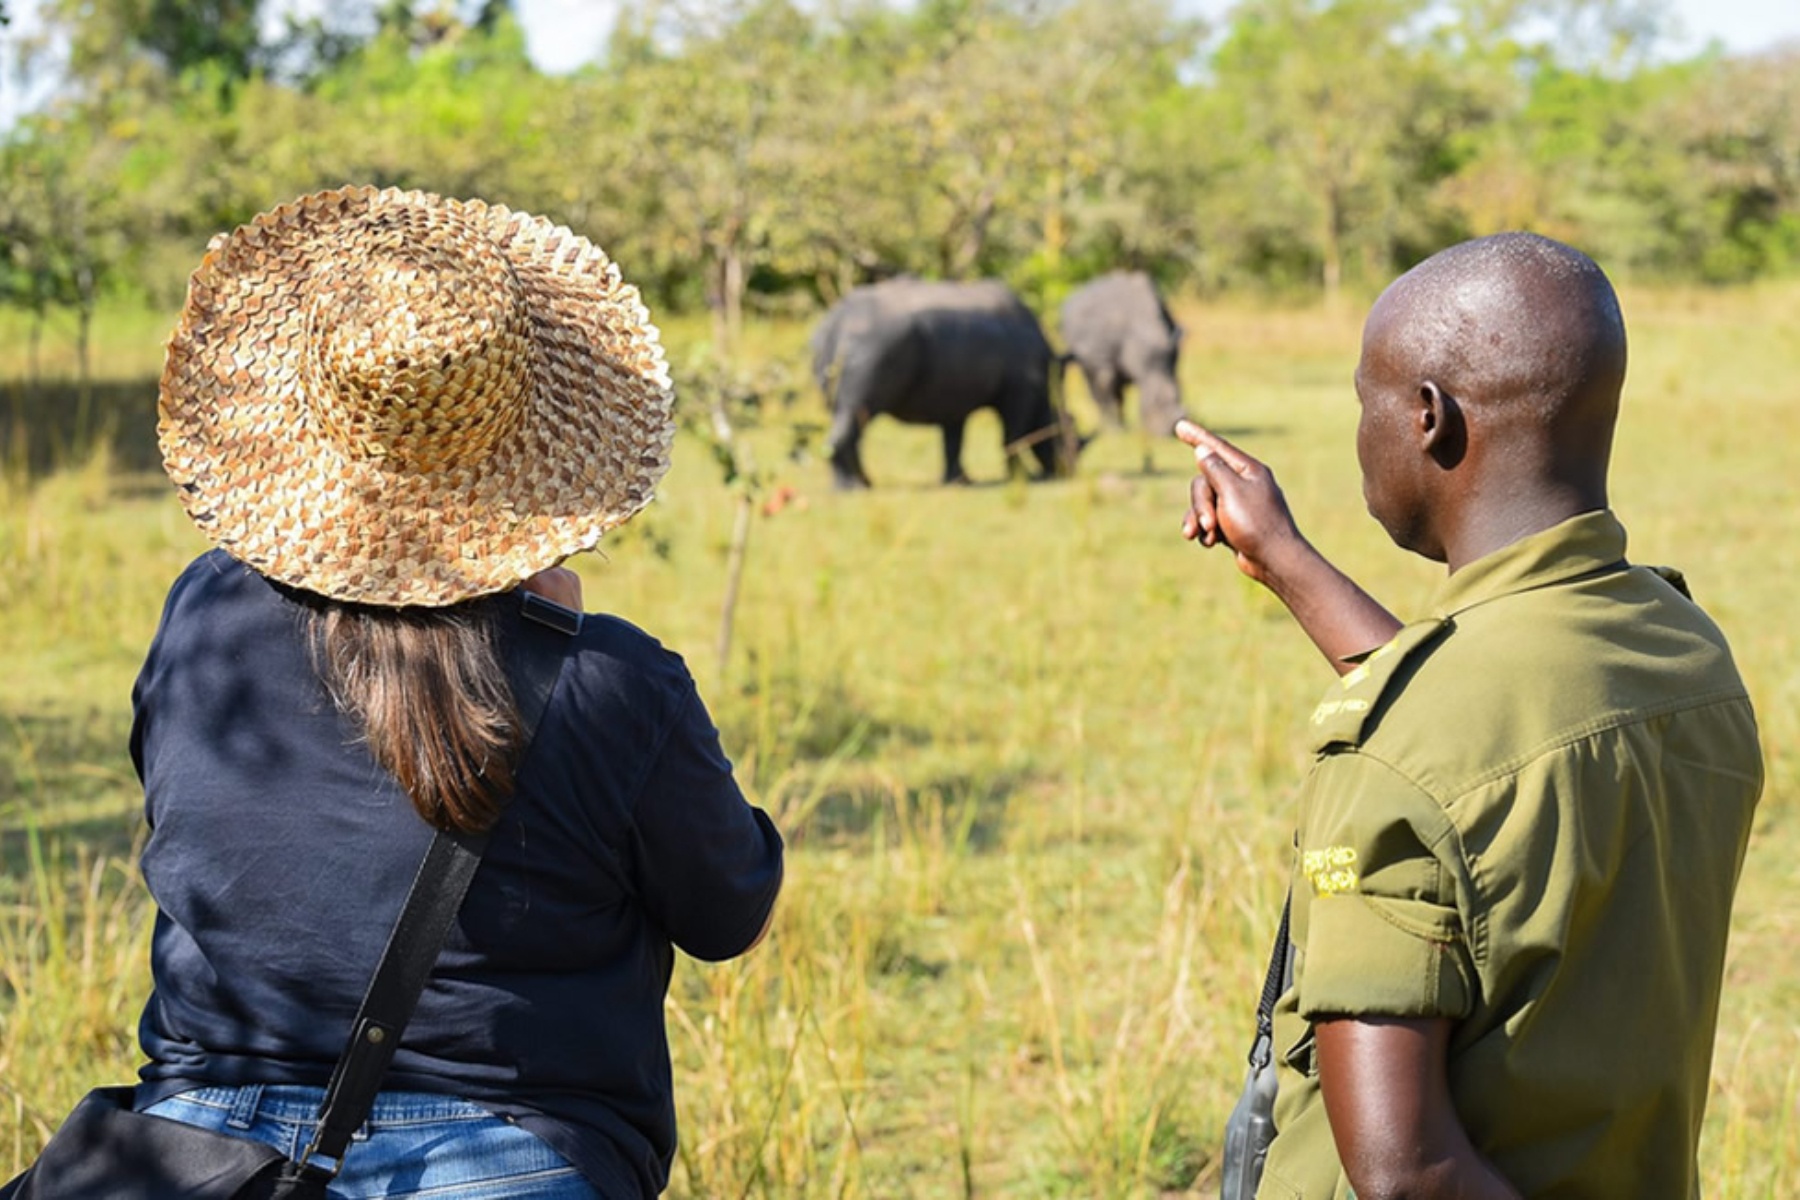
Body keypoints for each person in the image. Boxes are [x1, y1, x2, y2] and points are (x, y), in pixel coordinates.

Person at [129, 185, 785, 1198]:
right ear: (538, 459)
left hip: (196, 1143)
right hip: (516, 1152)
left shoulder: (203, 617)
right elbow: (728, 911)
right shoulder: (615, 684)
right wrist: (548, 640)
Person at [1180, 232, 1761, 1197]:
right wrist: (1283, 556)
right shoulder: (1685, 650)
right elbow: (1484, 722)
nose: (1357, 427)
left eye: (1361, 399)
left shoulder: (1397, 761)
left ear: (1427, 418)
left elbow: (1405, 1173)